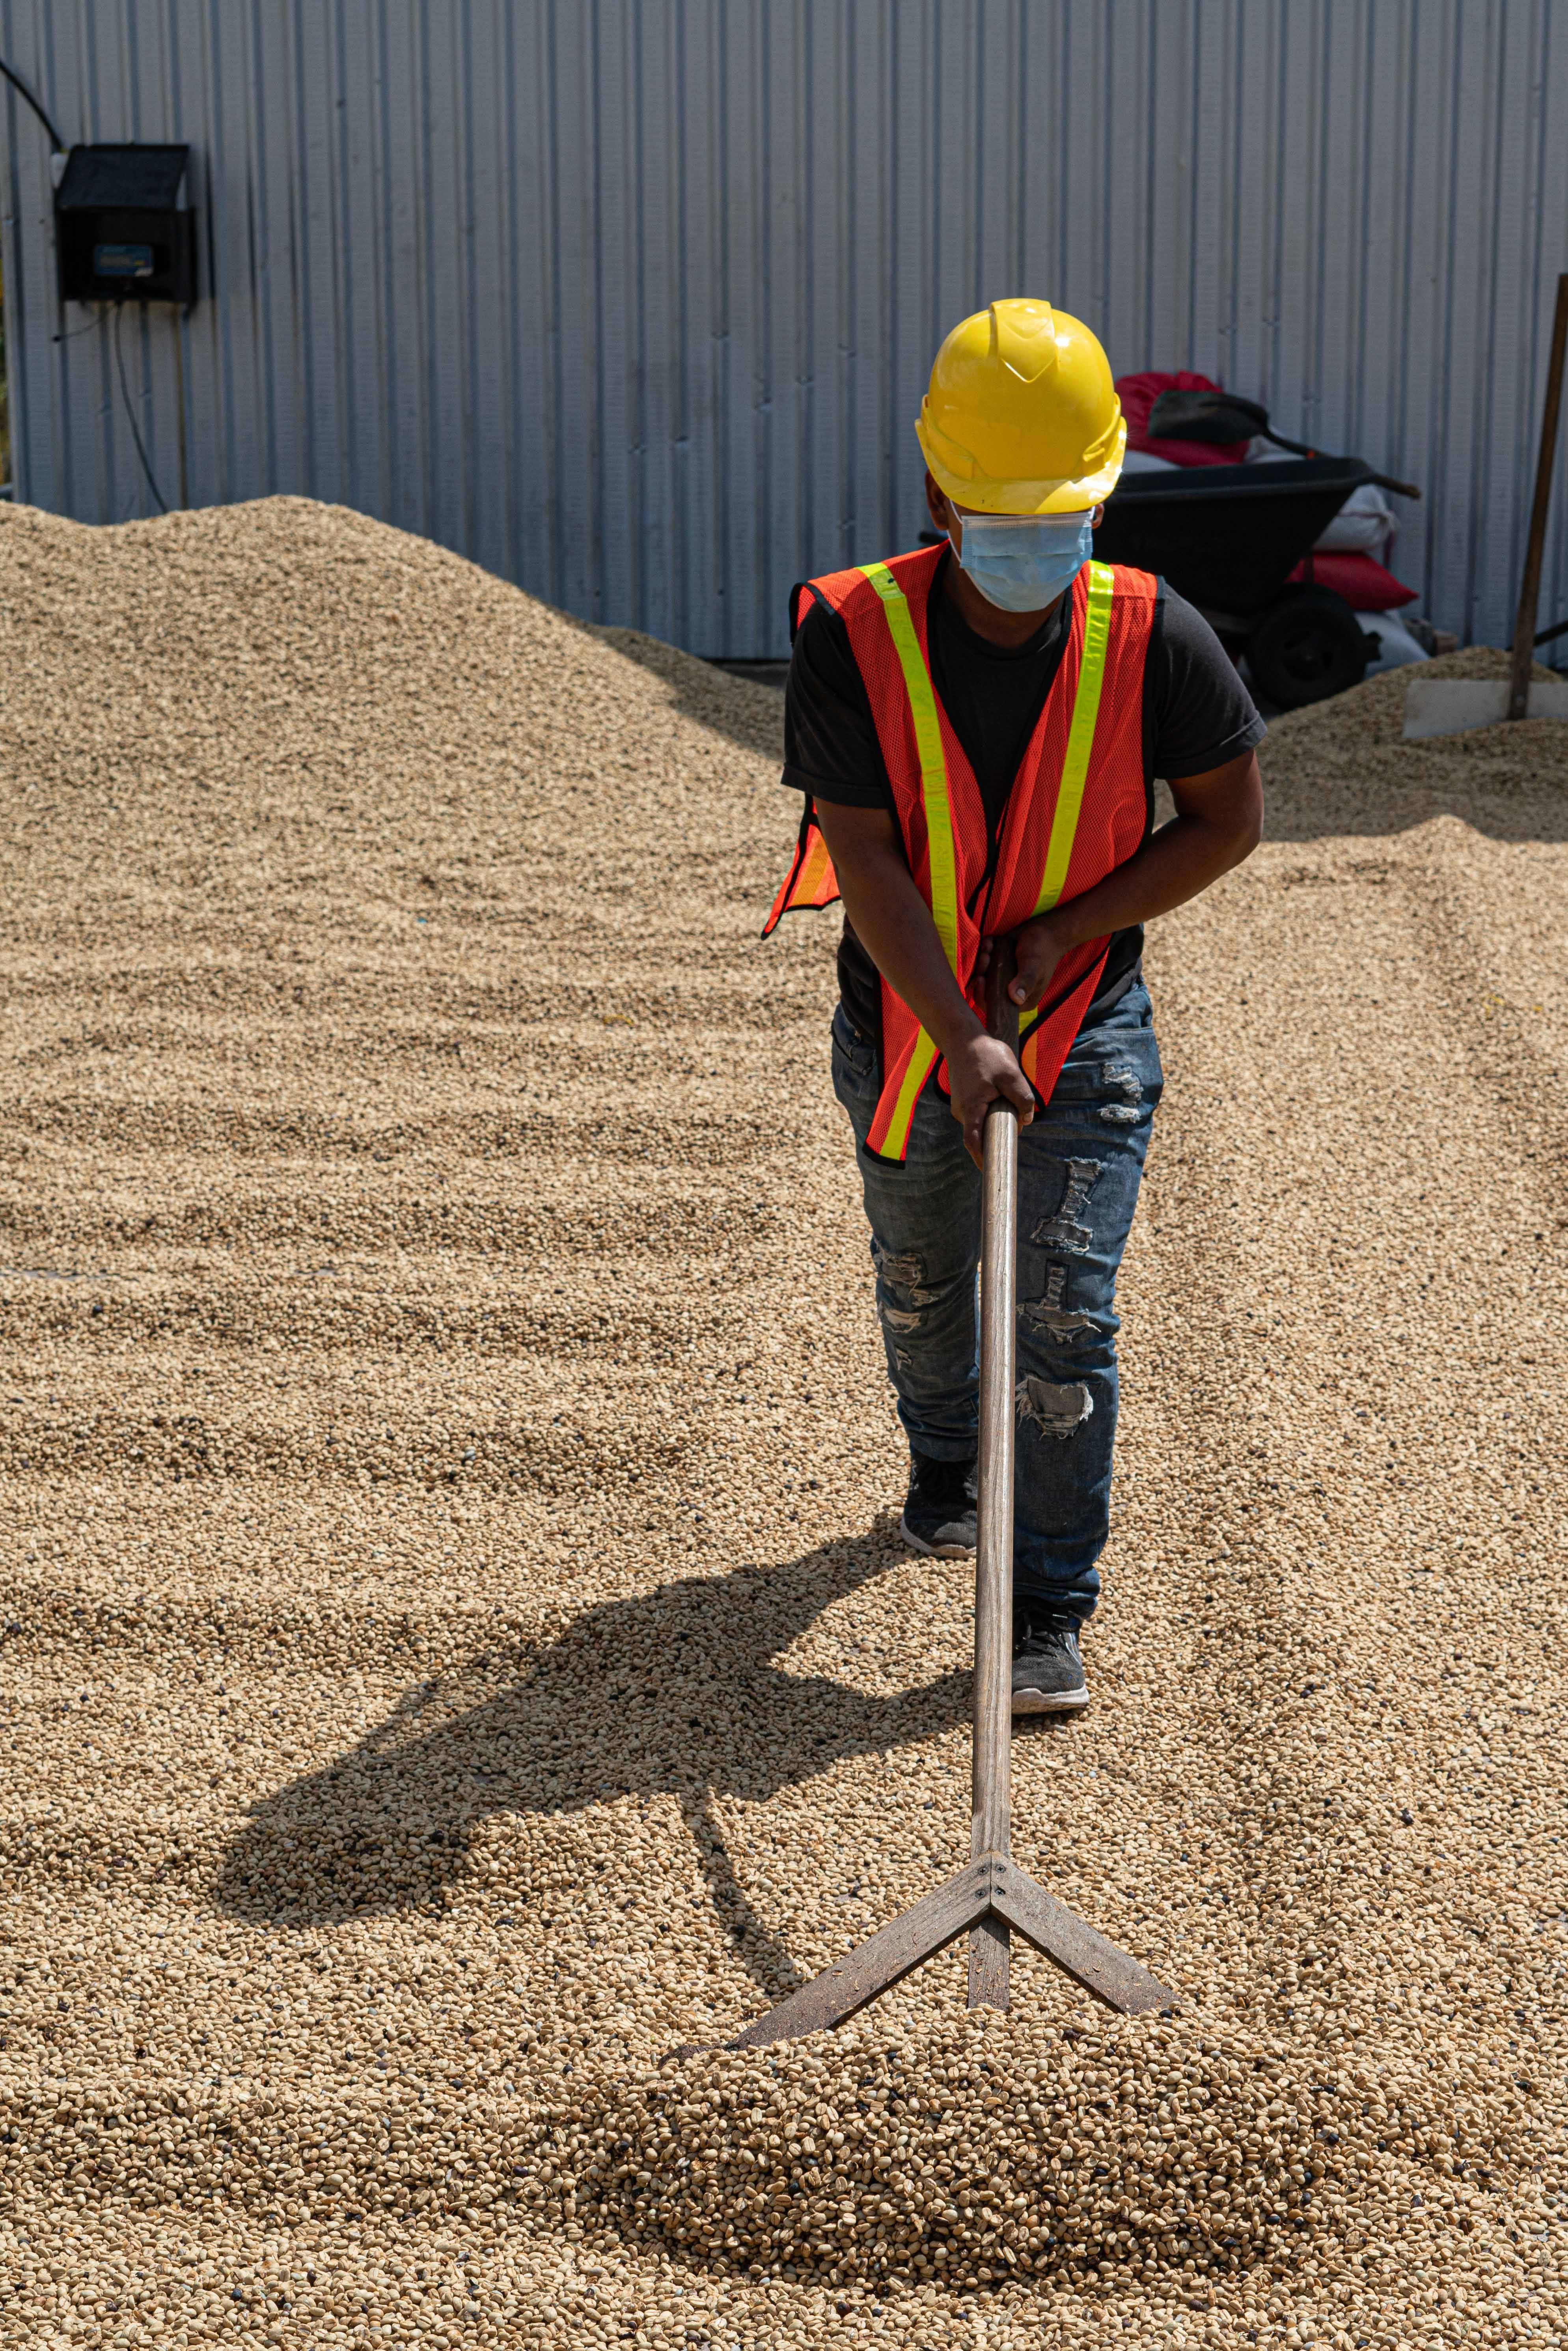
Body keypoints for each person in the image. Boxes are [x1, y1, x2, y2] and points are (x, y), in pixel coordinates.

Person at [765, 299, 1264, 1714]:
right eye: (1004, 511)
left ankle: (1043, 1604)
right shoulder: (853, 634)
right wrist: (962, 1031)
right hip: (908, 1014)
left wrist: (1060, 933)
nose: (1037, 543)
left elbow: (1226, 821)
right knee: (924, 1276)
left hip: (1081, 1015)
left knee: (1060, 1307)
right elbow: (861, 850)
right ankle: (943, 1462)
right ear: (938, 495)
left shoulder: (1153, 636)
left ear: (1104, 496)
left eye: (1064, 510)